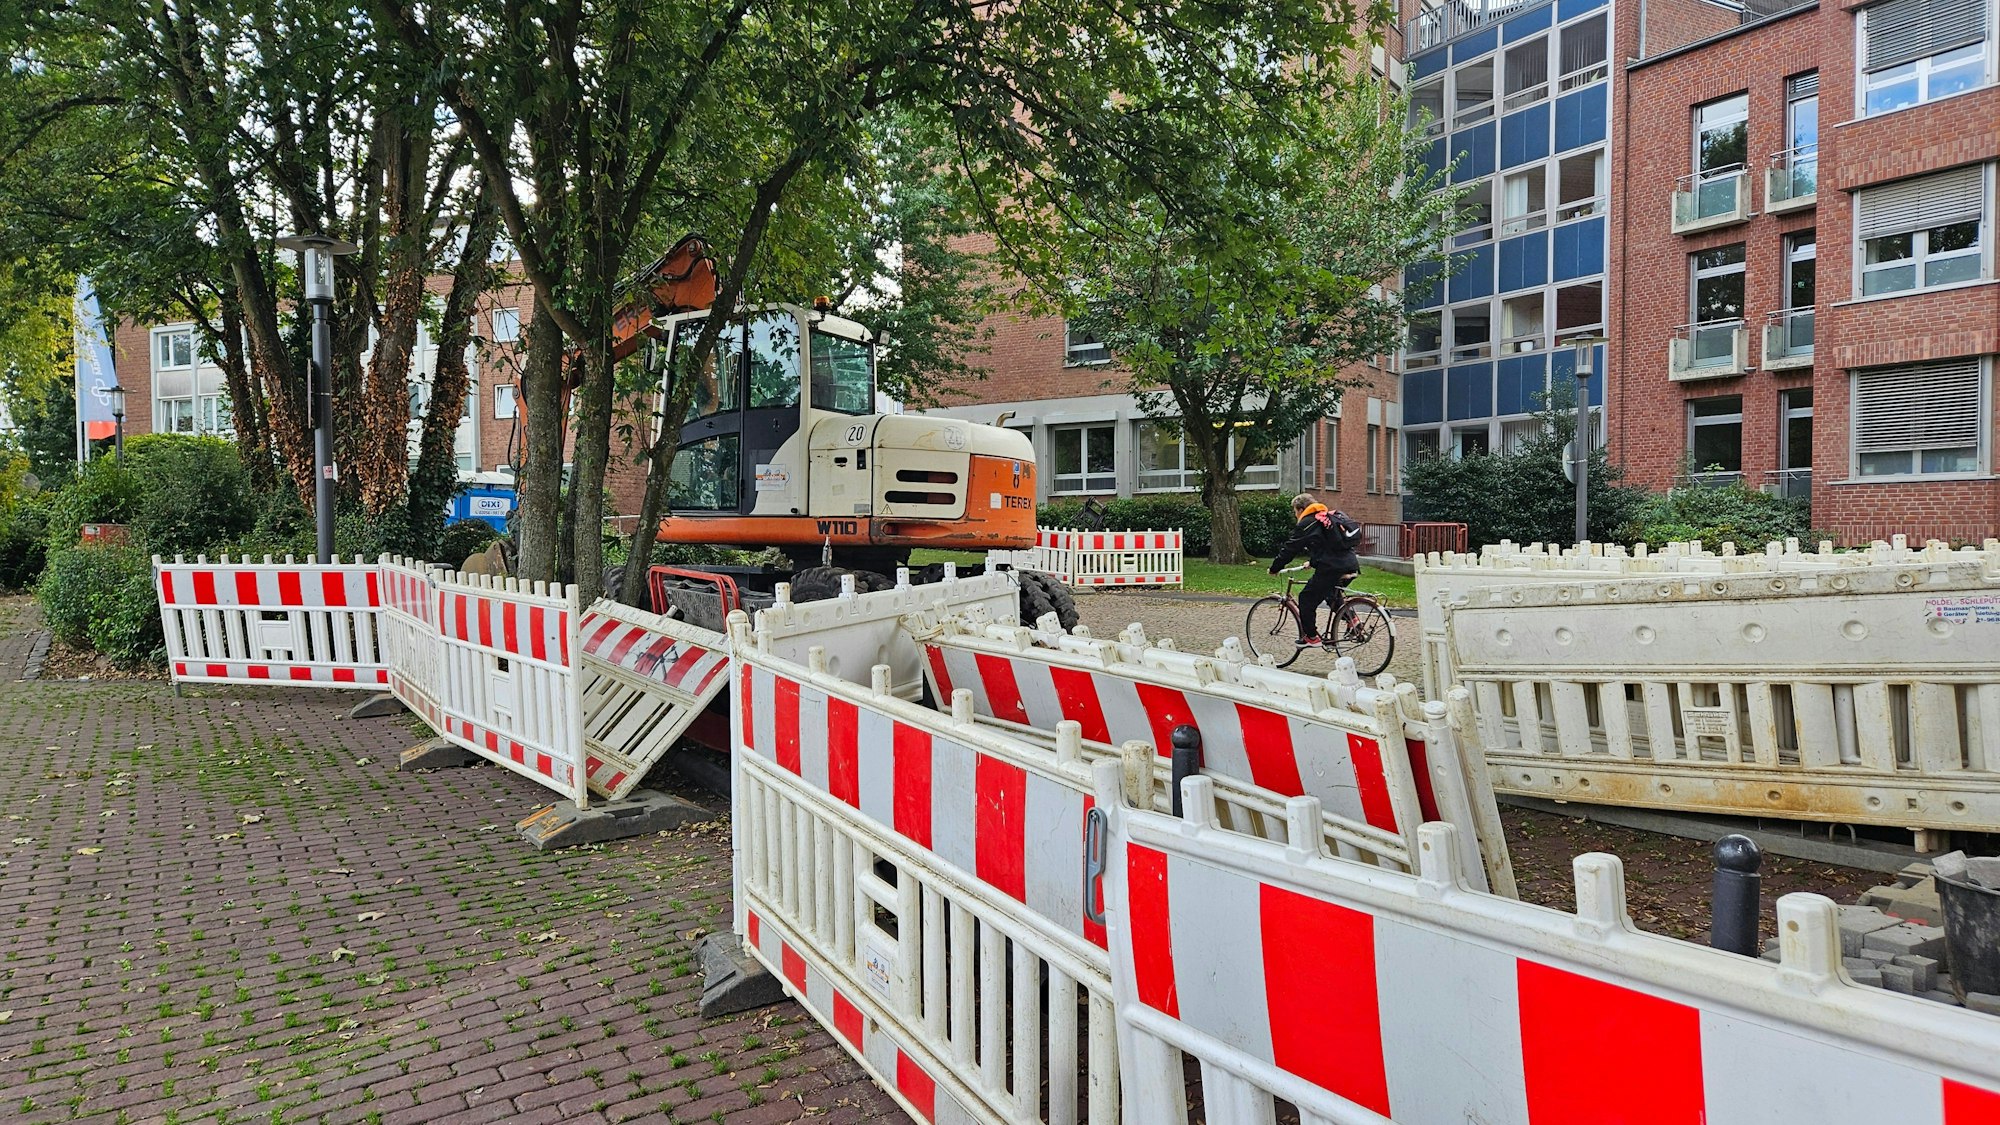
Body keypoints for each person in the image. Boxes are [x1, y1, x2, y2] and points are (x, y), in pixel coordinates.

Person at [1267, 492, 1363, 646]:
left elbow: (1290, 549)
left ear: (1300, 509)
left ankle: (1311, 637)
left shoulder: (1307, 523)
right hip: (1350, 565)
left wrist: (1275, 568)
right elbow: (1329, 546)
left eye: (1295, 511)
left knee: (1306, 598)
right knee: (1331, 594)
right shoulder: (1328, 518)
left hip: (1331, 569)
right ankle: (1353, 621)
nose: (1295, 515)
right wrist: (1313, 562)